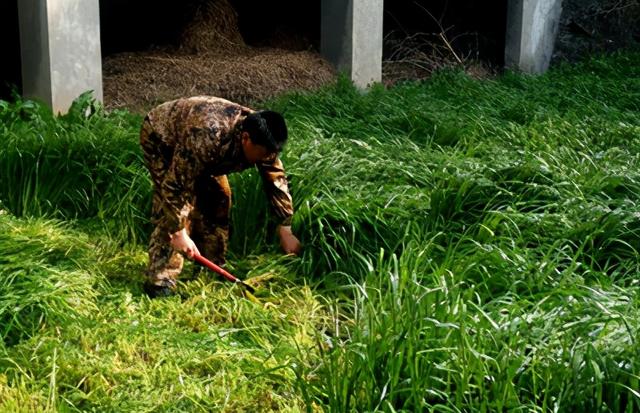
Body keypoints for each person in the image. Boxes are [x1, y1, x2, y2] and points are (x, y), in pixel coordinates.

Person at [140, 96, 301, 297]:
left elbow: (276, 179)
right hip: (161, 138)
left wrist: (285, 227)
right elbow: (174, 187)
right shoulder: (207, 135)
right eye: (261, 154)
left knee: (219, 196)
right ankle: (160, 281)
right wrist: (179, 232)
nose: (264, 159)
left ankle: (212, 264)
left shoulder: (263, 136)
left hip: (200, 147)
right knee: (179, 207)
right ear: (246, 139)